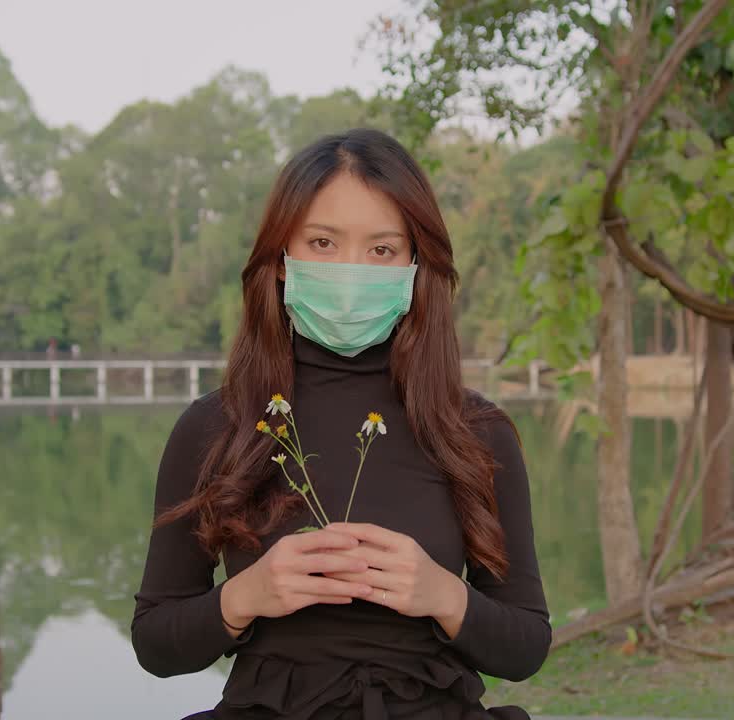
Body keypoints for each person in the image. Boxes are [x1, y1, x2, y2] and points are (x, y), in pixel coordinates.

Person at [132, 128, 551, 719]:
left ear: (414, 265)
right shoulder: (214, 427)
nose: (351, 270)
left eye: (380, 250)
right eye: (323, 243)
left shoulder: (476, 430)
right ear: (281, 259)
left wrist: (443, 594)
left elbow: (526, 646)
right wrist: (245, 596)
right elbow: (156, 643)